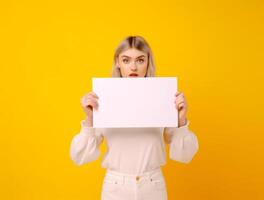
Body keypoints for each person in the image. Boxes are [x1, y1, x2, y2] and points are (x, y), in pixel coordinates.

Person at [69, 36, 199, 200]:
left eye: (140, 60)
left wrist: (181, 120)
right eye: (126, 60)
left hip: (153, 186)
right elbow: (79, 156)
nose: (133, 67)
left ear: (148, 62)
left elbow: (185, 155)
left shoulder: (162, 96)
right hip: (115, 188)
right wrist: (89, 119)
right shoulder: (104, 97)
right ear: (117, 62)